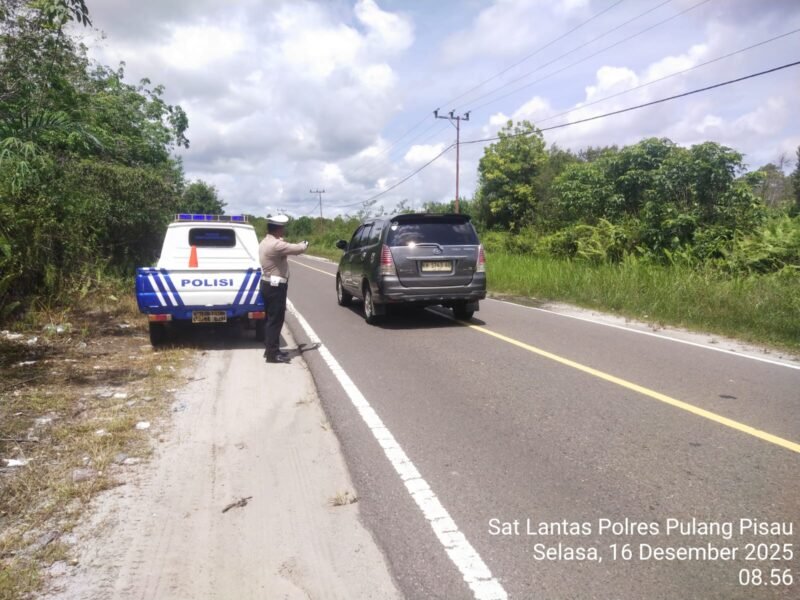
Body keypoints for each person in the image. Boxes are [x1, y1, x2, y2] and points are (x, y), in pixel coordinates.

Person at [258, 215, 308, 363]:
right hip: (275, 287)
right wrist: (305, 243)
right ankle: (273, 355)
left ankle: (270, 350)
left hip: (267, 284)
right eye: (283, 227)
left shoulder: (265, 242)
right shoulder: (276, 245)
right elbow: (298, 249)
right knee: (275, 320)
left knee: (270, 320)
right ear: (278, 229)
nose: (284, 230)